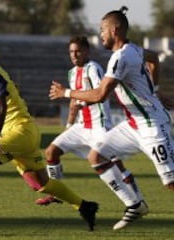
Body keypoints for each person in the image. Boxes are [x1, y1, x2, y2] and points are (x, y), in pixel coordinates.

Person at [0, 36, 99, 231]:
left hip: (18, 131)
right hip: (27, 133)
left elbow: (0, 102)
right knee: (40, 184)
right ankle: (85, 206)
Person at [49, 6, 174, 230]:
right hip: (134, 124)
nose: (101, 35)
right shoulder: (134, 49)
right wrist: (154, 89)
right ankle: (134, 204)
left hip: (153, 125)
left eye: (103, 30)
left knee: (171, 182)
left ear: (115, 30)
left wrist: (65, 93)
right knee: (97, 156)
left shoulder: (120, 58)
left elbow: (99, 94)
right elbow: (154, 58)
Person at [36, 36, 144, 207]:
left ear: (86, 51)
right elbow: (73, 99)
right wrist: (69, 126)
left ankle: (137, 199)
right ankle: (56, 193)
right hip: (81, 126)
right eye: (71, 51)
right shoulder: (72, 73)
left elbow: (102, 94)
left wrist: (82, 101)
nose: (74, 54)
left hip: (99, 126)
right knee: (51, 153)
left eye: (78, 51)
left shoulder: (93, 68)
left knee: (117, 165)